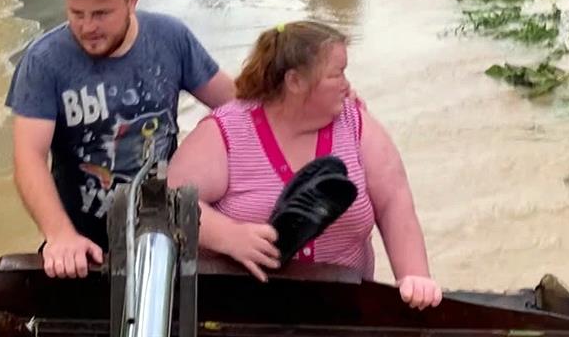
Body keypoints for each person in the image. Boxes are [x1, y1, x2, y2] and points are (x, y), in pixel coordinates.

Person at [166, 21, 442, 309]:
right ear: (295, 81)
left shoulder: (356, 124)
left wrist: (414, 278)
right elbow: (168, 203)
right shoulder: (226, 131)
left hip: (344, 308)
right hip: (239, 309)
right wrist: (228, 236)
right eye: (337, 74)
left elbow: (394, 203)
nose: (347, 85)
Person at [8, 0, 237, 278]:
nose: (87, 27)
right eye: (76, 13)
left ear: (132, 1)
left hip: (165, 229)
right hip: (83, 243)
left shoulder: (170, 38)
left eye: (101, 14)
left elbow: (234, 106)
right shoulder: (44, 61)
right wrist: (59, 234)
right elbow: (28, 157)